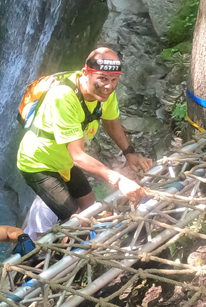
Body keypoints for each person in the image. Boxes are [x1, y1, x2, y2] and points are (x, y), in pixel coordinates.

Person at [17, 47, 153, 222]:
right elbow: (78, 156)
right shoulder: (63, 97)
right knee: (79, 222)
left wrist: (129, 153)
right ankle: (62, 247)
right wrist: (119, 181)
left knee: (91, 208)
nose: (108, 86)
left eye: (114, 80)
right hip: (38, 164)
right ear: (85, 73)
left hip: (64, 160)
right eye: (102, 79)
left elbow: (111, 123)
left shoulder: (104, 94)